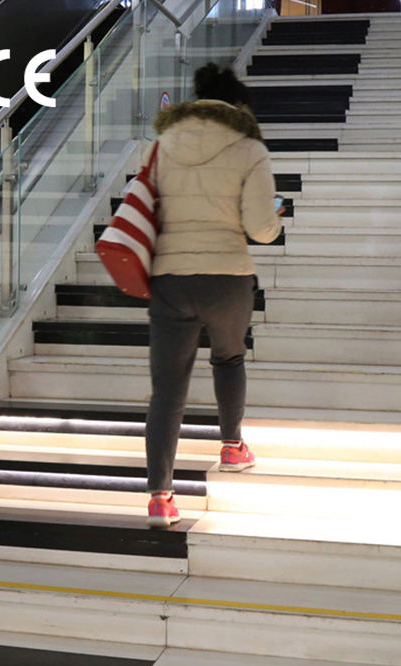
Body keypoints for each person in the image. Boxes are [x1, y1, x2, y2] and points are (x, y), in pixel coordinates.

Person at [143, 63, 283, 528]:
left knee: (167, 389)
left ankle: (161, 498)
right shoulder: (249, 147)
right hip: (227, 277)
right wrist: (275, 217)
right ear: (237, 105)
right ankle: (232, 447)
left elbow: (147, 206)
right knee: (228, 358)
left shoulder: (163, 144)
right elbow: (261, 229)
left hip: (171, 278)